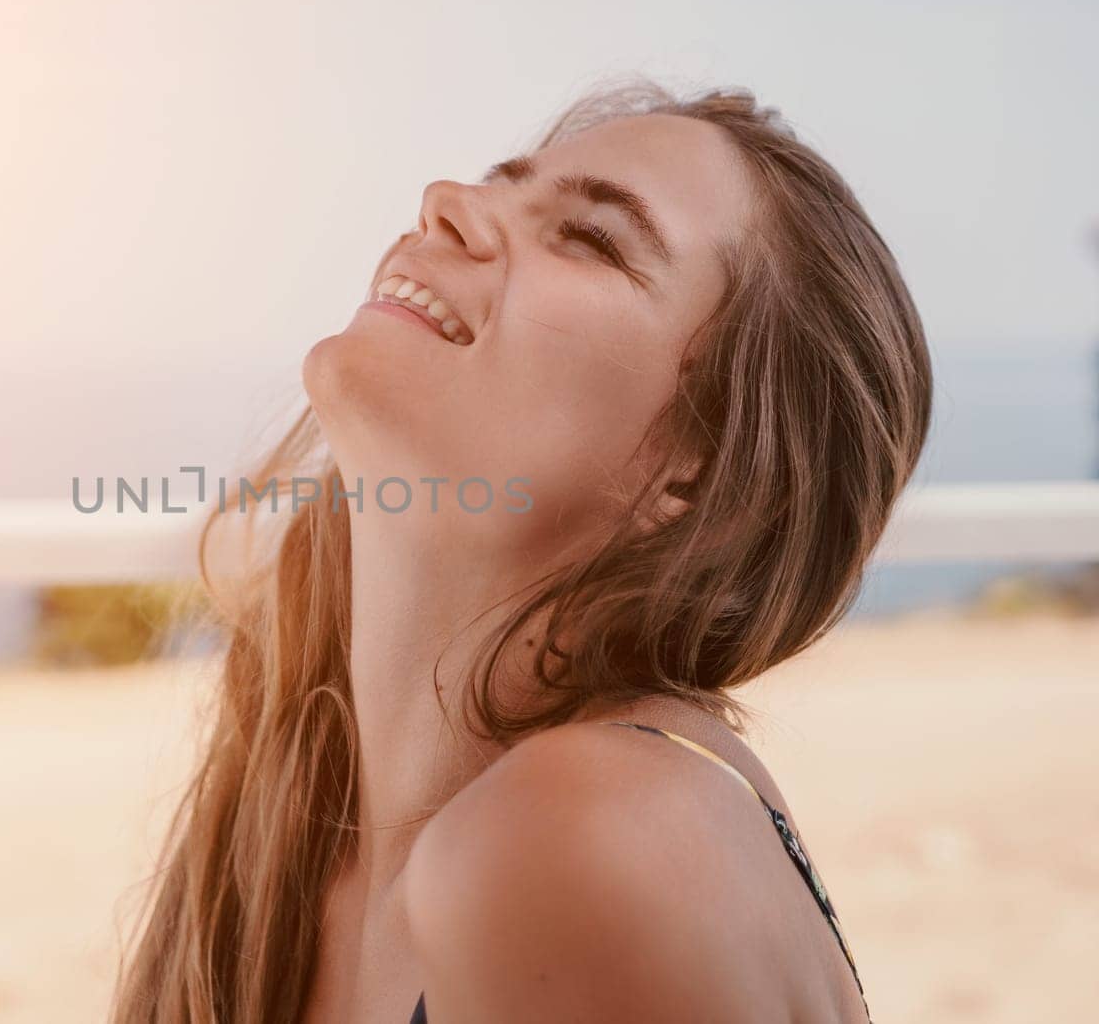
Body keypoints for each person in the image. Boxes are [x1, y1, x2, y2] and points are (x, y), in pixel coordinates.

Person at [111, 78, 932, 1023]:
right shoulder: (281, 832)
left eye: (589, 238)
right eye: (499, 184)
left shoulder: (576, 835)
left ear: (699, 475)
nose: (448, 202)